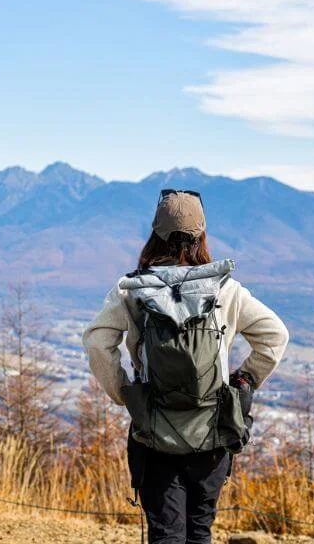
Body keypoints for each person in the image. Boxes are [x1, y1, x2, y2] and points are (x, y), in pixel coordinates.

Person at [82, 189, 289, 544]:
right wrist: (244, 380)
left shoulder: (131, 288)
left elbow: (98, 340)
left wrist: (124, 394)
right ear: (202, 233)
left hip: (154, 432)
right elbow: (274, 336)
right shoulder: (225, 288)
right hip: (212, 432)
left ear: (155, 233)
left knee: (165, 534)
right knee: (199, 531)